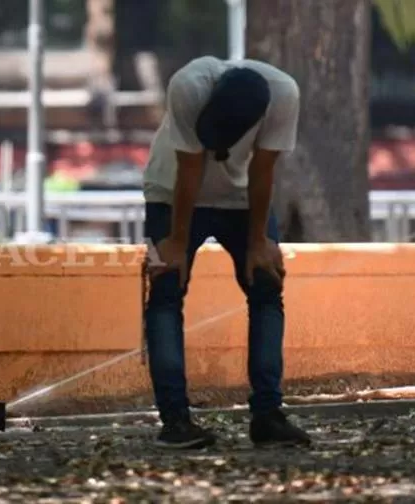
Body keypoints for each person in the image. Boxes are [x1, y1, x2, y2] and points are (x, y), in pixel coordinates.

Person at [142, 55, 312, 449]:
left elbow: (263, 169)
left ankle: (268, 416)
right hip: (168, 191)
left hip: (243, 198)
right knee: (165, 290)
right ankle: (175, 421)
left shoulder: (283, 94)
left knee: (267, 285)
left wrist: (259, 242)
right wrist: (176, 245)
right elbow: (189, 168)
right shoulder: (186, 85)